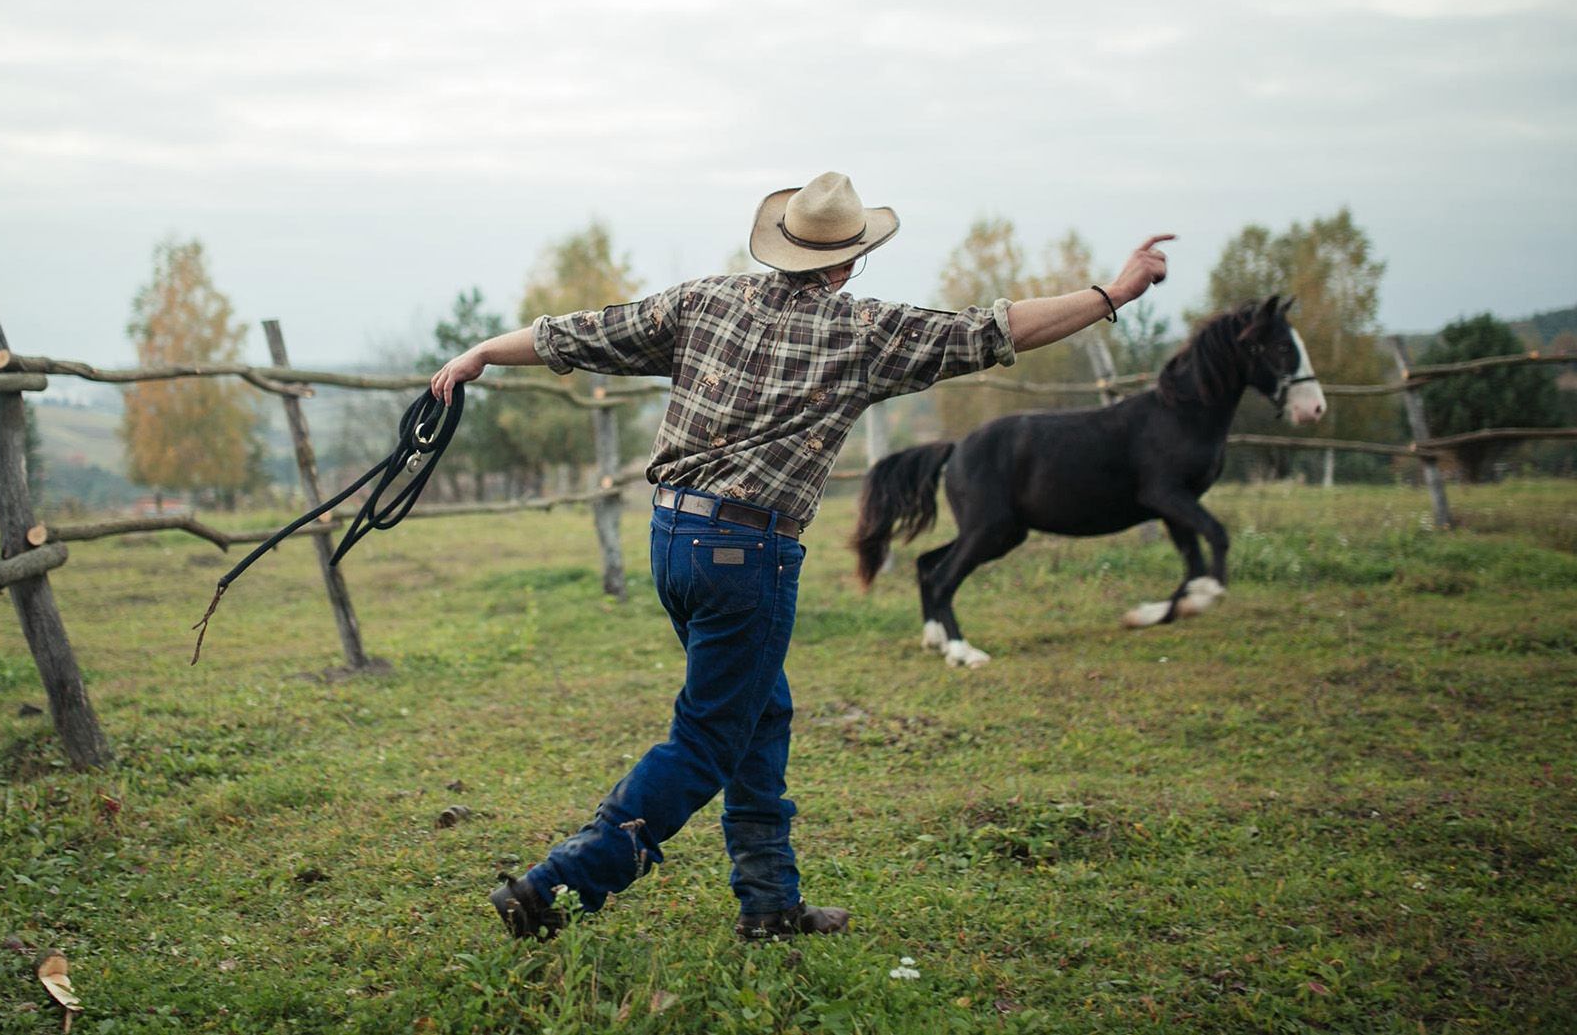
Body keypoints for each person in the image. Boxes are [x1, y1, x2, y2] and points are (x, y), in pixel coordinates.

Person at [430, 172, 1172, 941]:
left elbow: (578, 333)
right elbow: (996, 328)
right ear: (848, 261)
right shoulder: (864, 330)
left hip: (672, 540)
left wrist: (483, 351)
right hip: (746, 553)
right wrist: (1113, 293)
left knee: (758, 710)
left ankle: (769, 902)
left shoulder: (702, 301)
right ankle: (553, 887)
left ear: (779, 245)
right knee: (708, 737)